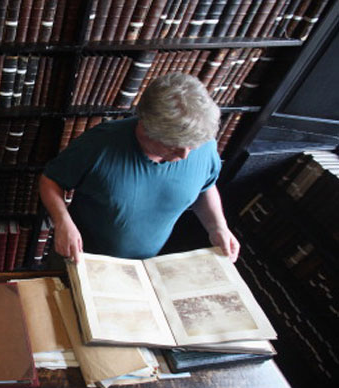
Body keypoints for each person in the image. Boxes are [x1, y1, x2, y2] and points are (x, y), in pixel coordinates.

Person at [39, 72, 240, 264]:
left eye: (192, 147)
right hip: (82, 257)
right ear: (145, 127)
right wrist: (62, 221)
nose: (184, 155)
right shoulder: (99, 144)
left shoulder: (201, 142)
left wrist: (217, 226)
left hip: (148, 264)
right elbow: (51, 180)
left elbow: (204, 186)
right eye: (173, 145)